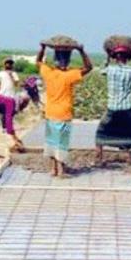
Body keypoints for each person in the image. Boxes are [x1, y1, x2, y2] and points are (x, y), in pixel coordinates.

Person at [37, 42, 93, 177]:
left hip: (50, 113)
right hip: (63, 114)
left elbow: (38, 61)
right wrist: (81, 51)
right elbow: (89, 67)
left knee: (51, 141)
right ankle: (61, 171)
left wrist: (43, 48)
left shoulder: (48, 73)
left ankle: (53, 170)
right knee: (61, 143)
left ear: (55, 61)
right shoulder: (69, 75)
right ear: (67, 62)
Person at [95, 46, 131, 166]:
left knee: (101, 133)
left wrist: (107, 56)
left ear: (115, 57)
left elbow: (100, 70)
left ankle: (99, 158)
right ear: (128, 58)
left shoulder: (110, 70)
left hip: (112, 108)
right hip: (127, 108)